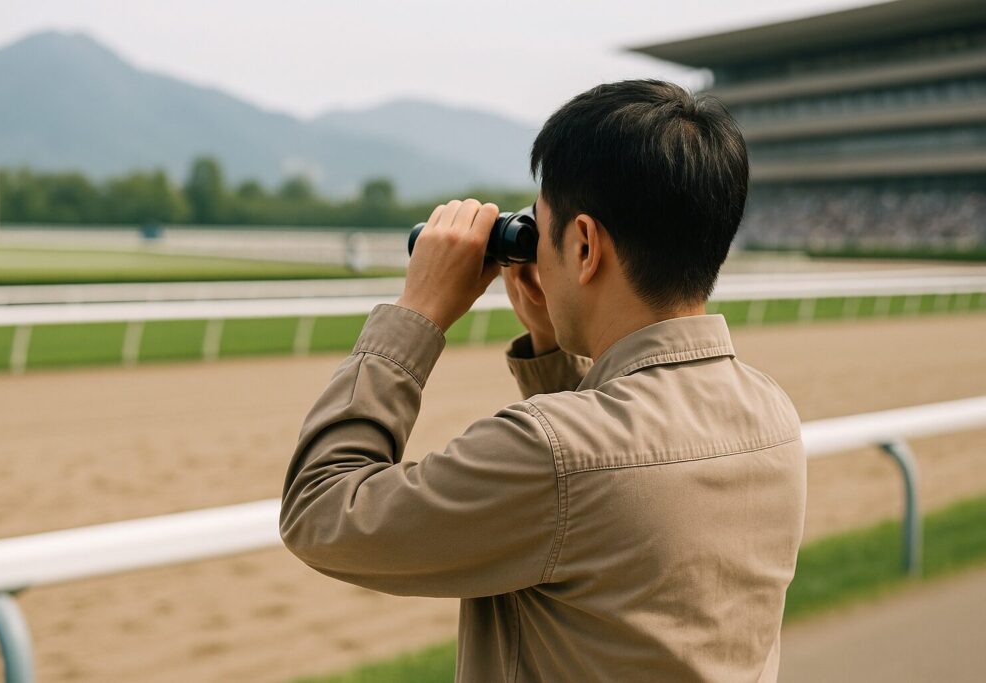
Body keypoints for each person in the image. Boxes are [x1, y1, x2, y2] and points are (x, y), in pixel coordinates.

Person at [280, 79, 806, 682]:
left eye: (540, 229)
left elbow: (320, 511)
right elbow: (602, 489)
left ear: (584, 246)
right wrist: (550, 343)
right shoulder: (772, 414)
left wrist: (417, 314)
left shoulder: (550, 452)